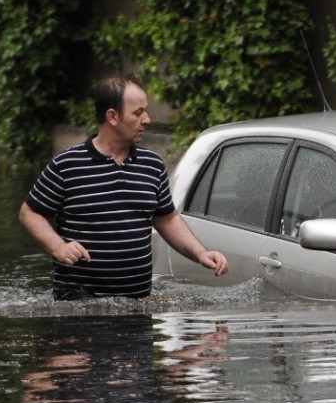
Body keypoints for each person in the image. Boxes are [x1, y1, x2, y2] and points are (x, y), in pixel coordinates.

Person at [19, 74, 228, 300]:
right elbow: (30, 212)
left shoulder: (152, 165)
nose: (147, 119)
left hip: (137, 305)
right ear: (113, 116)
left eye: (145, 111)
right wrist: (58, 247)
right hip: (79, 304)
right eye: (138, 113)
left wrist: (201, 254)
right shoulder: (67, 164)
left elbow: (167, 218)